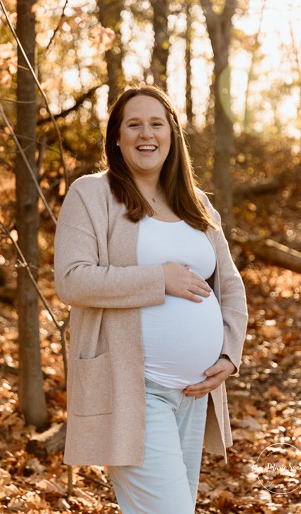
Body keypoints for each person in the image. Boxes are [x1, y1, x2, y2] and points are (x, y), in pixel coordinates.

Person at [54, 86, 248, 513]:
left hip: (195, 392)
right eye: (134, 124)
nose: (147, 134)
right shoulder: (92, 194)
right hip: (131, 389)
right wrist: (158, 280)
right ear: (117, 138)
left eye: (157, 123)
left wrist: (229, 354)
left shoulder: (199, 207)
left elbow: (230, 287)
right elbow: (72, 281)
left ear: (172, 134)